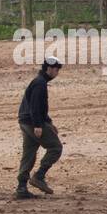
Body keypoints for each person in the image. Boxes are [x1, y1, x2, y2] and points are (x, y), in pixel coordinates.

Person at [15, 56, 64, 200]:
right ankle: (39, 176)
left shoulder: (39, 82)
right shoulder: (40, 83)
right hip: (32, 123)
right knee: (56, 148)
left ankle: (21, 187)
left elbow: (40, 108)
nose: (57, 73)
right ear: (49, 68)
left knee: (29, 153)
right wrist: (38, 125)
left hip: (24, 122)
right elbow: (36, 107)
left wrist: (49, 122)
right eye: (56, 69)